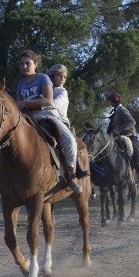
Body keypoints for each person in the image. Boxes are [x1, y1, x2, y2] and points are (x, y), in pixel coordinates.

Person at [16, 50, 83, 194]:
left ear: (36, 64)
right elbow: (18, 103)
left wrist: (26, 103)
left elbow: (48, 100)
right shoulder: (21, 83)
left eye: (28, 63)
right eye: (22, 64)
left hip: (46, 115)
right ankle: (3, 177)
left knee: (70, 141)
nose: (24, 66)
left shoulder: (43, 78)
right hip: (27, 118)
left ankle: (72, 176)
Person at [47, 63, 89, 178]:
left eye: (64, 77)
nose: (62, 79)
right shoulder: (45, 89)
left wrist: (39, 105)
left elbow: (54, 104)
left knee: (71, 142)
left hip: (60, 122)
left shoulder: (62, 92)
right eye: (59, 76)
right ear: (52, 77)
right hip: (44, 118)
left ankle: (74, 171)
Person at [106, 92, 139, 185]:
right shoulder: (115, 111)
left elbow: (132, 122)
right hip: (118, 137)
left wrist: (119, 129)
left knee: (136, 152)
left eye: (110, 101)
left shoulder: (122, 110)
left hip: (130, 136)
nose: (110, 103)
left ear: (113, 102)